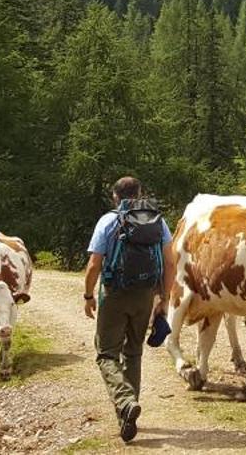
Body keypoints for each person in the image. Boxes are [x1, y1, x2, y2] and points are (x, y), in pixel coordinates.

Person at [84, 176, 172, 442]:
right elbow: (170, 262)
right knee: (133, 353)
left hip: (115, 294)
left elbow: (94, 264)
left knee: (106, 353)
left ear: (115, 197)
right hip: (145, 295)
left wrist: (88, 294)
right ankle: (127, 410)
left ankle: (124, 402)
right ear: (140, 193)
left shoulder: (108, 220)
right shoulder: (158, 220)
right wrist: (163, 298)